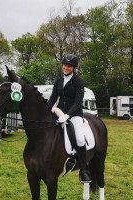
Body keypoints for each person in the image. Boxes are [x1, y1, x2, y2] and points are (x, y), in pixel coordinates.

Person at [48, 53, 91, 183]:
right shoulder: (58, 81)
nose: (66, 68)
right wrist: (47, 109)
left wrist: (68, 115)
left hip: (75, 114)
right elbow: (53, 99)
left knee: (79, 138)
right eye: (65, 65)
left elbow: (78, 102)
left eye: (69, 66)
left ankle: (84, 169)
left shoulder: (78, 82)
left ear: (73, 68)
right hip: (59, 111)